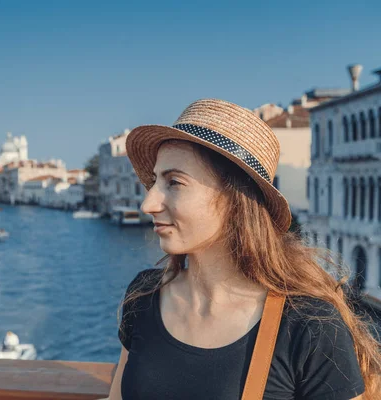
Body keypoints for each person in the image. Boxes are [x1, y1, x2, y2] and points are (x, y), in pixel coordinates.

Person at [106, 99, 380, 399]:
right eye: (155, 182)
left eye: (174, 182)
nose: (148, 204)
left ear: (235, 200)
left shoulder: (307, 325)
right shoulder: (144, 296)